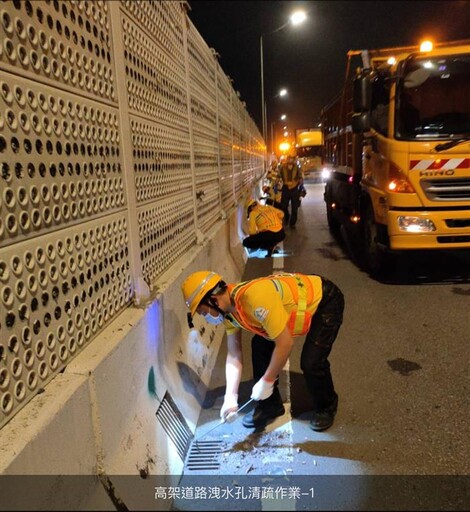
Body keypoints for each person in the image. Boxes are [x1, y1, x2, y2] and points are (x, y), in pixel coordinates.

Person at [181, 271, 345, 431]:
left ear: (213, 300)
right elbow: (234, 354)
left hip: (326, 300)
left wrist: (267, 381)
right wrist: (230, 397)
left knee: (311, 362)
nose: (205, 317)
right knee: (260, 346)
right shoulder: (229, 313)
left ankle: (327, 406)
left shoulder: (254, 299)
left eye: (202, 311)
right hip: (294, 307)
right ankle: (270, 406)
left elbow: (285, 343)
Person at [279, 155, 304, 228]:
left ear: (293, 160)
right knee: (283, 206)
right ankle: (287, 217)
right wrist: (277, 183)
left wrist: (300, 182)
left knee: (294, 207)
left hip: (294, 189)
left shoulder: (297, 168)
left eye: (291, 159)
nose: (290, 160)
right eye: (288, 159)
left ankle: (292, 223)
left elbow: (301, 177)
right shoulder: (282, 167)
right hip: (286, 188)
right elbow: (278, 176)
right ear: (287, 160)